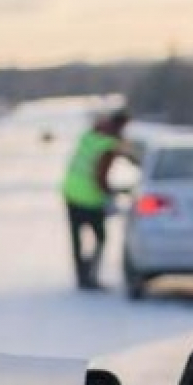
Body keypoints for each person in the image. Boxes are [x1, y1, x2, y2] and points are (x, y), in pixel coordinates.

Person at [60, 107, 136, 290]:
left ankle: (82, 276)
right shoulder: (108, 146)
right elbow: (100, 178)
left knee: (77, 239)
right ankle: (91, 276)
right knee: (100, 238)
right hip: (89, 198)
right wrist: (117, 192)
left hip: (70, 192)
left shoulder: (90, 135)